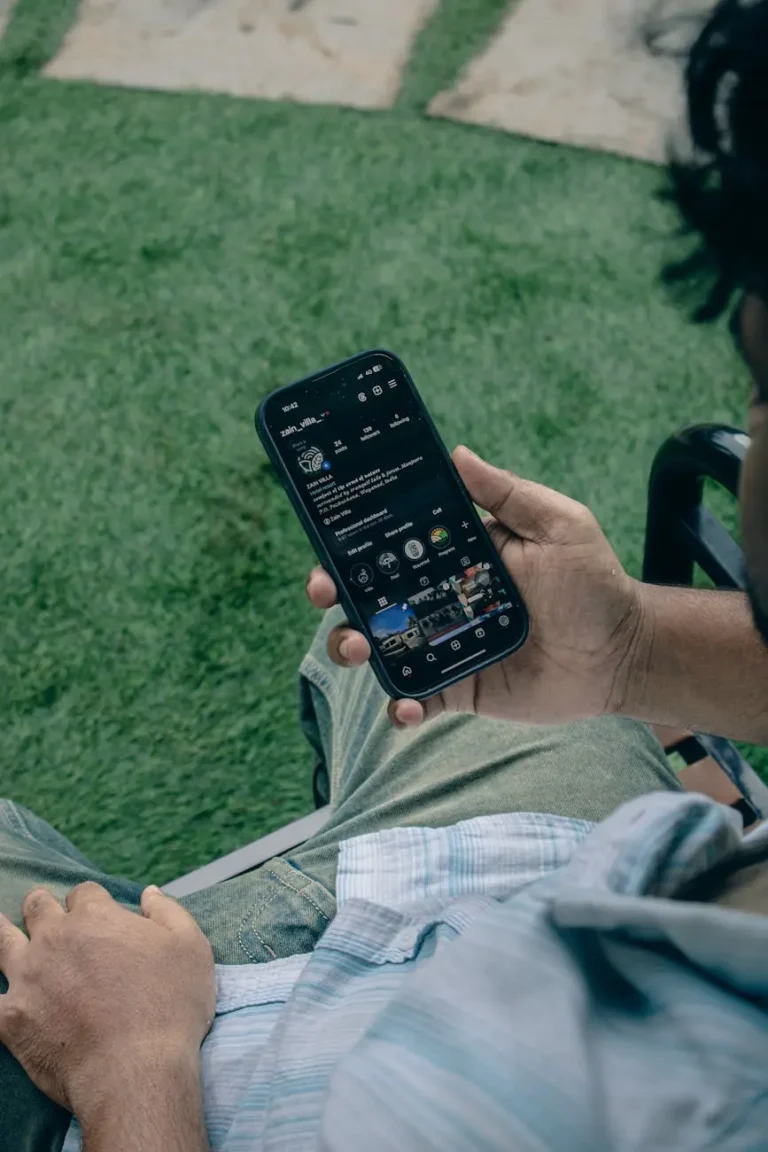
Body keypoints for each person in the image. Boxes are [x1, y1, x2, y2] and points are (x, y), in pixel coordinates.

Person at [2, 1, 768, 1148]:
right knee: (380, 647)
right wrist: (631, 651)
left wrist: (131, 1063)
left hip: (210, 1074)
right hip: (540, 875)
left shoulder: (592, 1102)